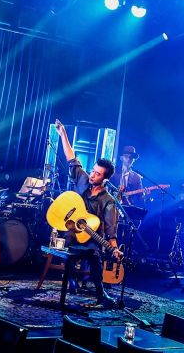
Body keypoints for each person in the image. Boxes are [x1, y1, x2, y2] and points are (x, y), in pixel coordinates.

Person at [54, 119, 122, 307]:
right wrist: (63, 134)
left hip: (92, 238)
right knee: (68, 241)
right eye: (93, 171)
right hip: (72, 232)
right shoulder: (83, 180)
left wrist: (114, 247)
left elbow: (111, 229)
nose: (92, 175)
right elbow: (71, 159)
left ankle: (101, 294)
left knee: (94, 255)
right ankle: (71, 278)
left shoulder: (108, 200)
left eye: (98, 174)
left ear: (105, 179)